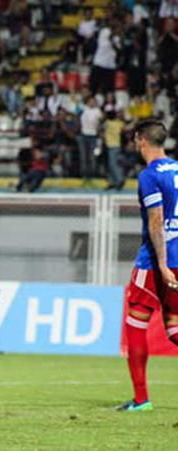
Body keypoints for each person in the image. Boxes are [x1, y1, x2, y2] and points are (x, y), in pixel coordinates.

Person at [118, 119, 178, 411]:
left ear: (141, 139)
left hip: (156, 263)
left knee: (135, 325)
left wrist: (163, 264)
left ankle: (141, 399)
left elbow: (156, 222)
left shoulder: (149, 175)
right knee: (174, 328)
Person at [104, 110, 126, 190]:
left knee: (113, 164)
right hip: (112, 145)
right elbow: (125, 129)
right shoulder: (119, 123)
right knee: (111, 164)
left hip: (114, 145)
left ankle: (119, 180)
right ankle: (113, 181)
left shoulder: (107, 123)